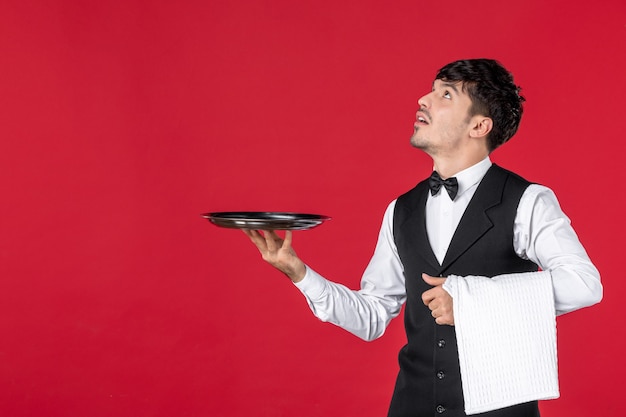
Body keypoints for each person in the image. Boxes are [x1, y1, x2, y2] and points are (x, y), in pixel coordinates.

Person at [242, 59, 602, 417]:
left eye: (445, 95)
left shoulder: (528, 200)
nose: (423, 100)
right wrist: (299, 273)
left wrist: (468, 300)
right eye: (432, 90)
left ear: (479, 125)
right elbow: (371, 316)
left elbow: (585, 284)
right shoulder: (401, 210)